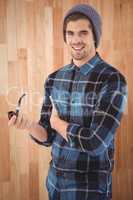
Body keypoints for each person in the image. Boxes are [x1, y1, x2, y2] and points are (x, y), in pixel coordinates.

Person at [8, 3, 127, 200]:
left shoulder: (112, 79)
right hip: (55, 185)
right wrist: (28, 125)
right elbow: (47, 135)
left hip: (89, 190)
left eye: (83, 33)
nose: (76, 40)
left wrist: (58, 123)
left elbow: (95, 143)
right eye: (70, 33)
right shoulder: (54, 79)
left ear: (95, 36)